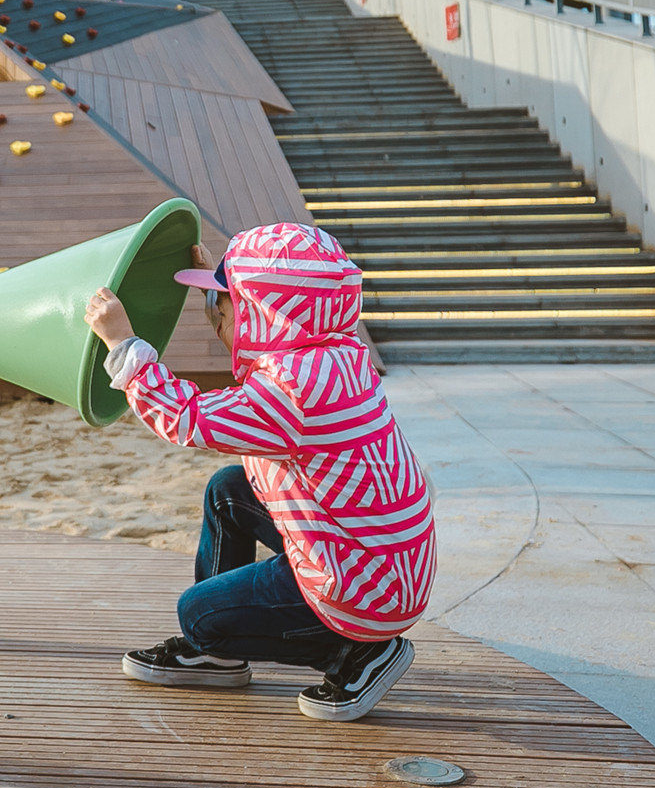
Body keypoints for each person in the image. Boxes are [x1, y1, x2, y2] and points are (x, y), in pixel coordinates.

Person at [82, 222, 435, 721]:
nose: (221, 318)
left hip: (358, 590)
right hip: (381, 559)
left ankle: (354, 652)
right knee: (229, 490)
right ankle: (220, 655)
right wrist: (222, 289)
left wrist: (122, 343)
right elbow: (263, 337)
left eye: (225, 307)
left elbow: (187, 418)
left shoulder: (289, 394)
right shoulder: (337, 356)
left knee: (197, 614)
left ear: (259, 314)